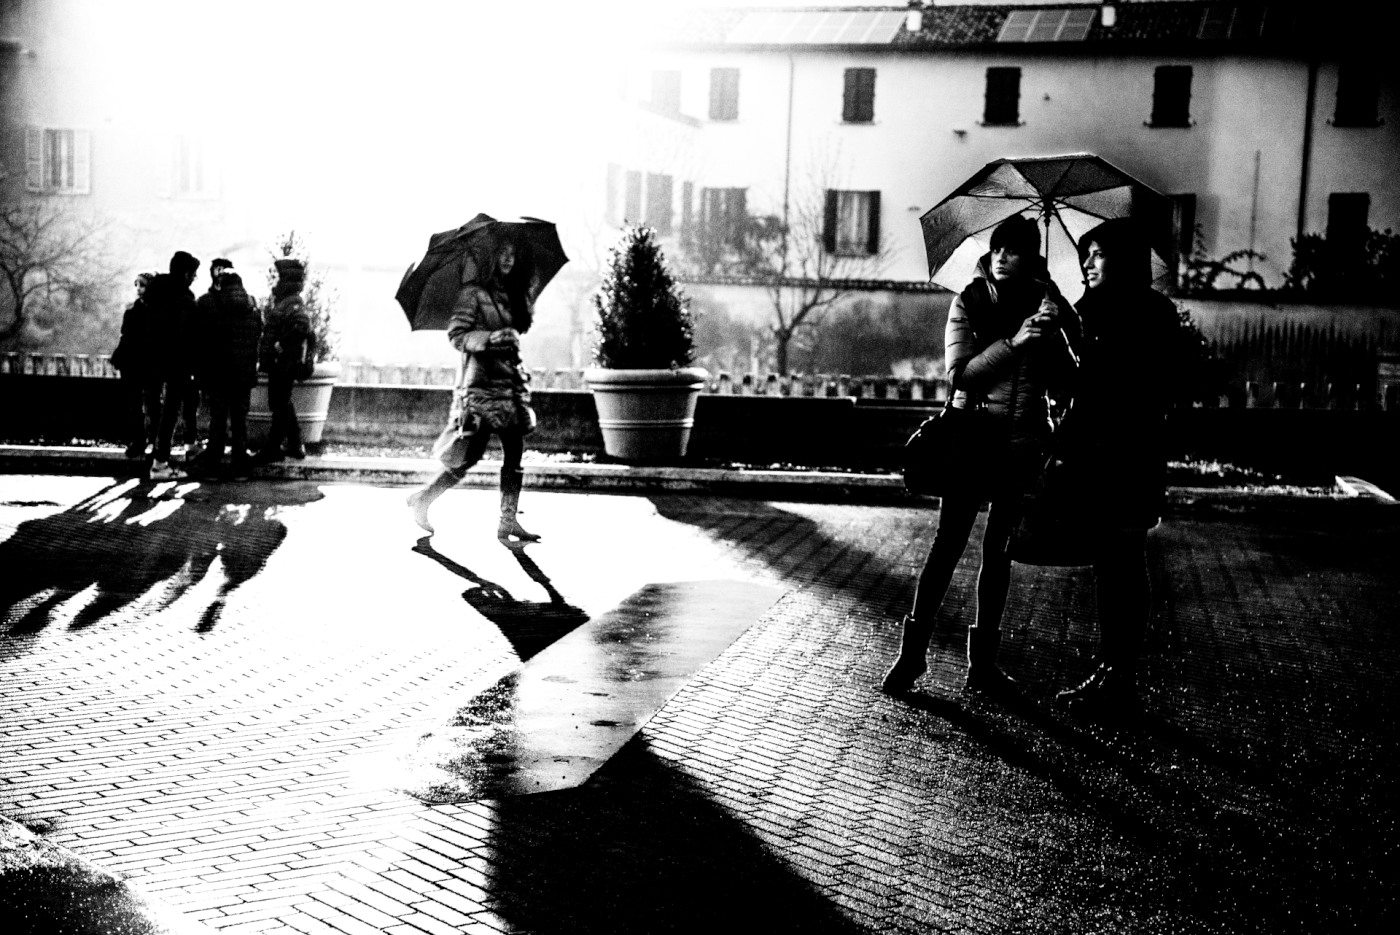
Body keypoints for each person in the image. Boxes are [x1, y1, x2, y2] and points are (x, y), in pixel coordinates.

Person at [883, 215, 1079, 696]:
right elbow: (961, 375)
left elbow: (1068, 381)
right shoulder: (969, 301)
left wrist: (1060, 328)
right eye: (998, 248)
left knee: (999, 554)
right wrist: (1015, 342)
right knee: (947, 545)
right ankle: (912, 657)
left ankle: (983, 666)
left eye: (1015, 250)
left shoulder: (1048, 305)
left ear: (1033, 257)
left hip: (1021, 443)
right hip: (971, 438)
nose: (1002, 257)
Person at [1054, 218, 1181, 714]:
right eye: (1085, 254)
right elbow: (1072, 383)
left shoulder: (1152, 313)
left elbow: (1139, 387)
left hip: (1130, 456)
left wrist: (1084, 342)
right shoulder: (1088, 310)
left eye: (1098, 254)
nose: (1087, 263)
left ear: (1125, 260)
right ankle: (1113, 671)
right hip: (1100, 457)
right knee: (1112, 564)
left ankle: (1119, 676)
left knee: (1124, 561)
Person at [407, 237, 540, 542]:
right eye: (502, 253)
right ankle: (423, 498)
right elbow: (457, 335)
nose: (508, 259)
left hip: (509, 385)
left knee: (515, 452)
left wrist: (511, 333)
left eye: (512, 254)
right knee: (470, 454)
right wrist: (489, 339)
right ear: (490, 258)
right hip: (481, 387)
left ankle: (508, 520)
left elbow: (516, 328)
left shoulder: (512, 294)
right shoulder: (472, 294)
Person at [189, 270, 262, 479]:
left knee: (218, 420)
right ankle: (240, 467)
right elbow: (257, 335)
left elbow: (203, 340)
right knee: (240, 421)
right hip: (243, 375)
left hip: (218, 375)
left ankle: (213, 465)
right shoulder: (252, 307)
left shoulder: (211, 306)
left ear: (220, 284)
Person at [142, 250, 201, 480]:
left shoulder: (154, 293)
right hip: (177, 363)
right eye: (193, 274)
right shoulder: (184, 300)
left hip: (151, 359)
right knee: (171, 412)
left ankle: (154, 456)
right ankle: (160, 463)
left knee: (155, 409)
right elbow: (189, 336)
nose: (193, 278)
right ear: (186, 274)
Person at [254, 258, 314, 463]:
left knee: (279, 404)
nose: (275, 281)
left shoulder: (292, 303)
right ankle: (295, 444)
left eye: (279, 277)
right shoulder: (289, 301)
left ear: (285, 280)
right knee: (281, 402)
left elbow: (301, 327)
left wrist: (281, 345)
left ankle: (274, 448)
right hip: (282, 362)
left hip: (284, 363)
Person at [111, 273, 156, 459]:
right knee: (135, 404)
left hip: (147, 363)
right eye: (136, 285)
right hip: (134, 364)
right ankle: (139, 441)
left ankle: (149, 440)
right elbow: (125, 338)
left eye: (142, 285)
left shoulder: (154, 312)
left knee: (151, 404)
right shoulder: (133, 312)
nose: (138, 289)